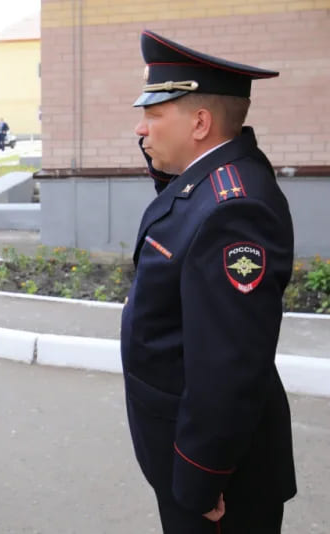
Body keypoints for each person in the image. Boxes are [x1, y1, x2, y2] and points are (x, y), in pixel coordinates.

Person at [122, 30, 296, 533]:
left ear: (200, 122)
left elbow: (229, 365)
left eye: (154, 116)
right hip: (181, 447)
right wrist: (161, 148)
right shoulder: (210, 179)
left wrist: (202, 477)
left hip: (216, 478)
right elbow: (179, 205)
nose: (141, 128)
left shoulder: (234, 210)